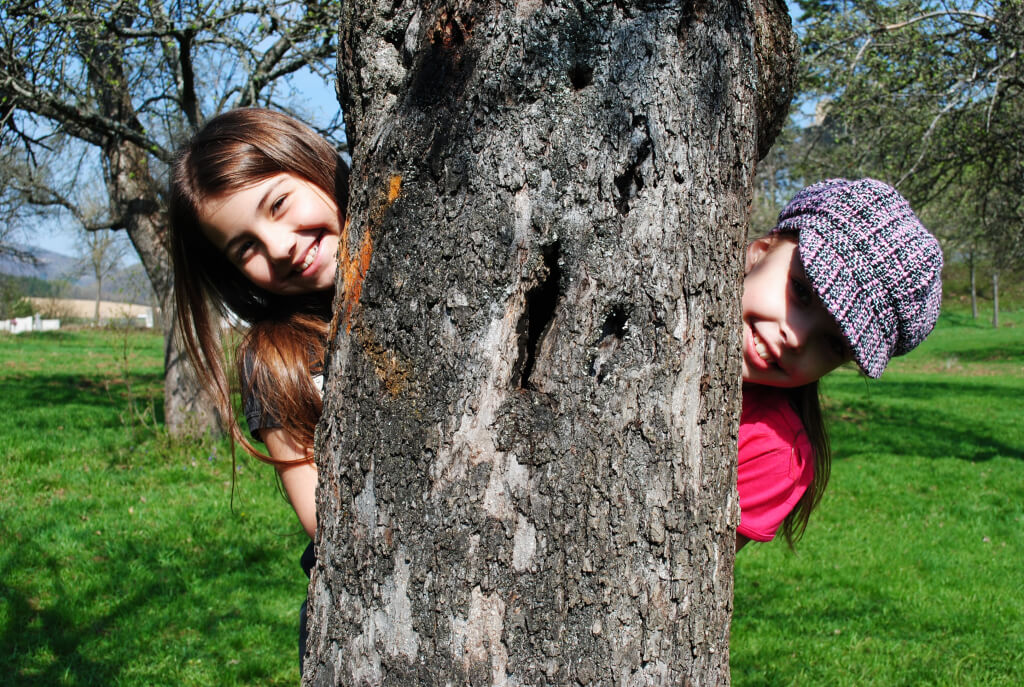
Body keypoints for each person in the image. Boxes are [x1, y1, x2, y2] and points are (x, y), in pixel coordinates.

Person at [168, 107, 349, 670]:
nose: (277, 247)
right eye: (244, 248)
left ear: (314, 164)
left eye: (278, 204)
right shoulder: (275, 359)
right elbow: (323, 516)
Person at [736, 178, 943, 551]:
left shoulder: (773, 454)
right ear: (761, 250)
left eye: (834, 344)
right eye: (801, 291)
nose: (796, 338)